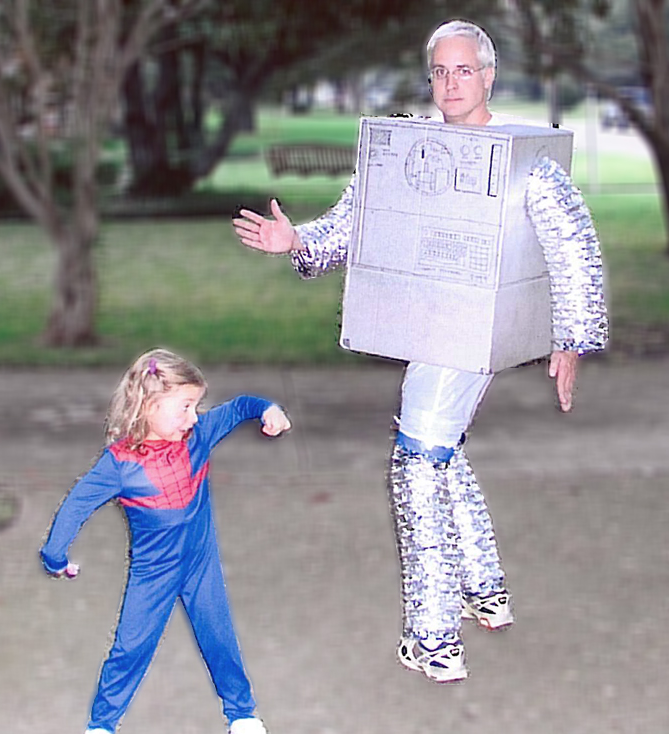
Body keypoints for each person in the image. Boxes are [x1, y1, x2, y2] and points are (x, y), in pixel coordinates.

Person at [233, 20, 607, 683]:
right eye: (440, 71)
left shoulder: (521, 156)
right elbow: (356, 221)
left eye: (463, 70)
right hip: (432, 325)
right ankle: (484, 590)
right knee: (441, 448)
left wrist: (570, 338)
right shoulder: (413, 149)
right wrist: (297, 243)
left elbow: (571, 241)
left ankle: (434, 637)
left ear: (488, 75)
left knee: (415, 462)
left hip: (468, 337)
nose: (450, 83)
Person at [39, 348, 290, 734]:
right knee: (130, 647)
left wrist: (270, 409)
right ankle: (101, 729)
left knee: (219, 637)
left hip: (200, 564)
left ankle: (242, 715)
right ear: (148, 405)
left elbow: (243, 405)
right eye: (185, 407)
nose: (194, 416)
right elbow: (76, 505)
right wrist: (55, 556)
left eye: (196, 406)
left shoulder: (199, 435)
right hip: (154, 573)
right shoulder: (118, 465)